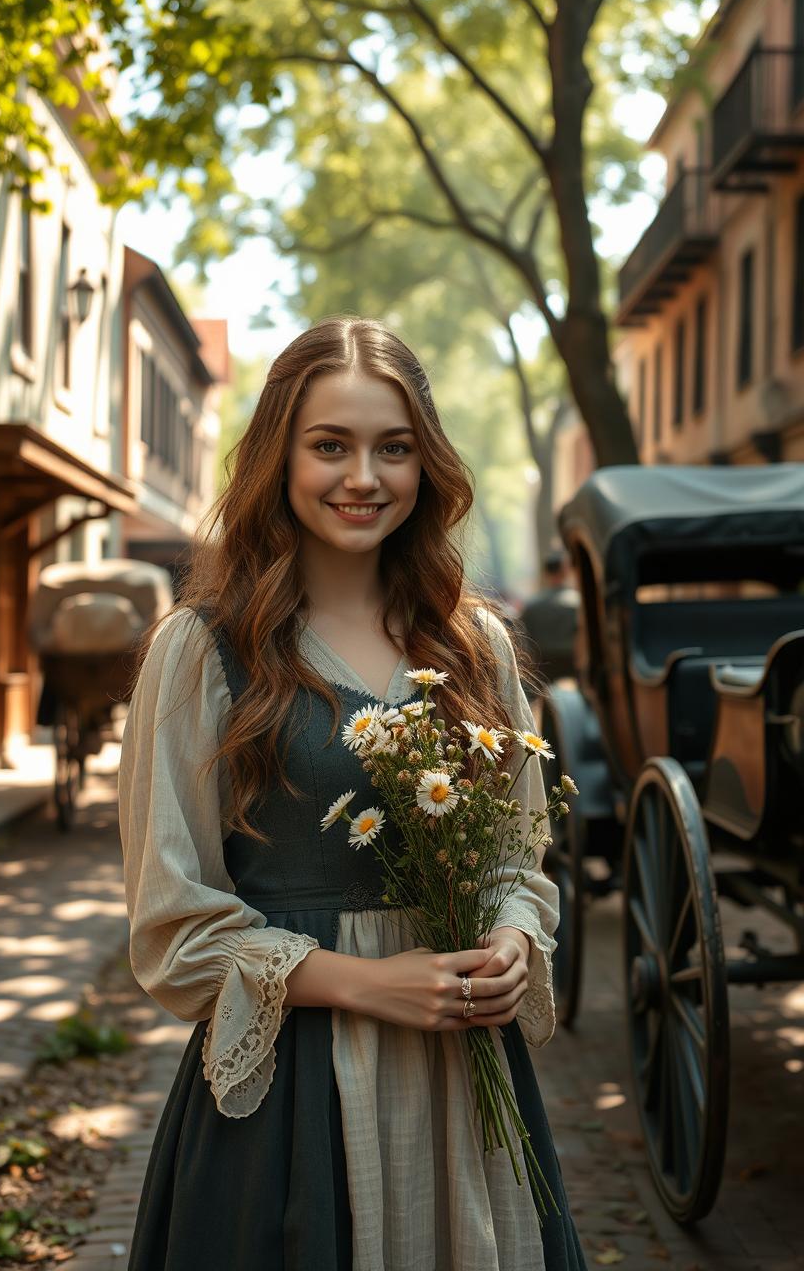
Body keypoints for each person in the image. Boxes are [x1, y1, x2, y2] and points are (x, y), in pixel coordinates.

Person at [117, 316, 589, 1271]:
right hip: (292, 1090)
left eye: (394, 448)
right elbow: (175, 927)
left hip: (466, 1075)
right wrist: (373, 985)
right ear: (278, 458)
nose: (363, 476)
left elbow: (515, 856)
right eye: (330, 445)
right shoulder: (203, 651)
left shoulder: (472, 646)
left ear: (428, 467)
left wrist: (506, 934)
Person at [517, 552, 581, 697]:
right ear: (565, 572)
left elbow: (525, 641)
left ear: (546, 573)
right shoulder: (578, 603)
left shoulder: (532, 606)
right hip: (574, 665)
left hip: (544, 668)